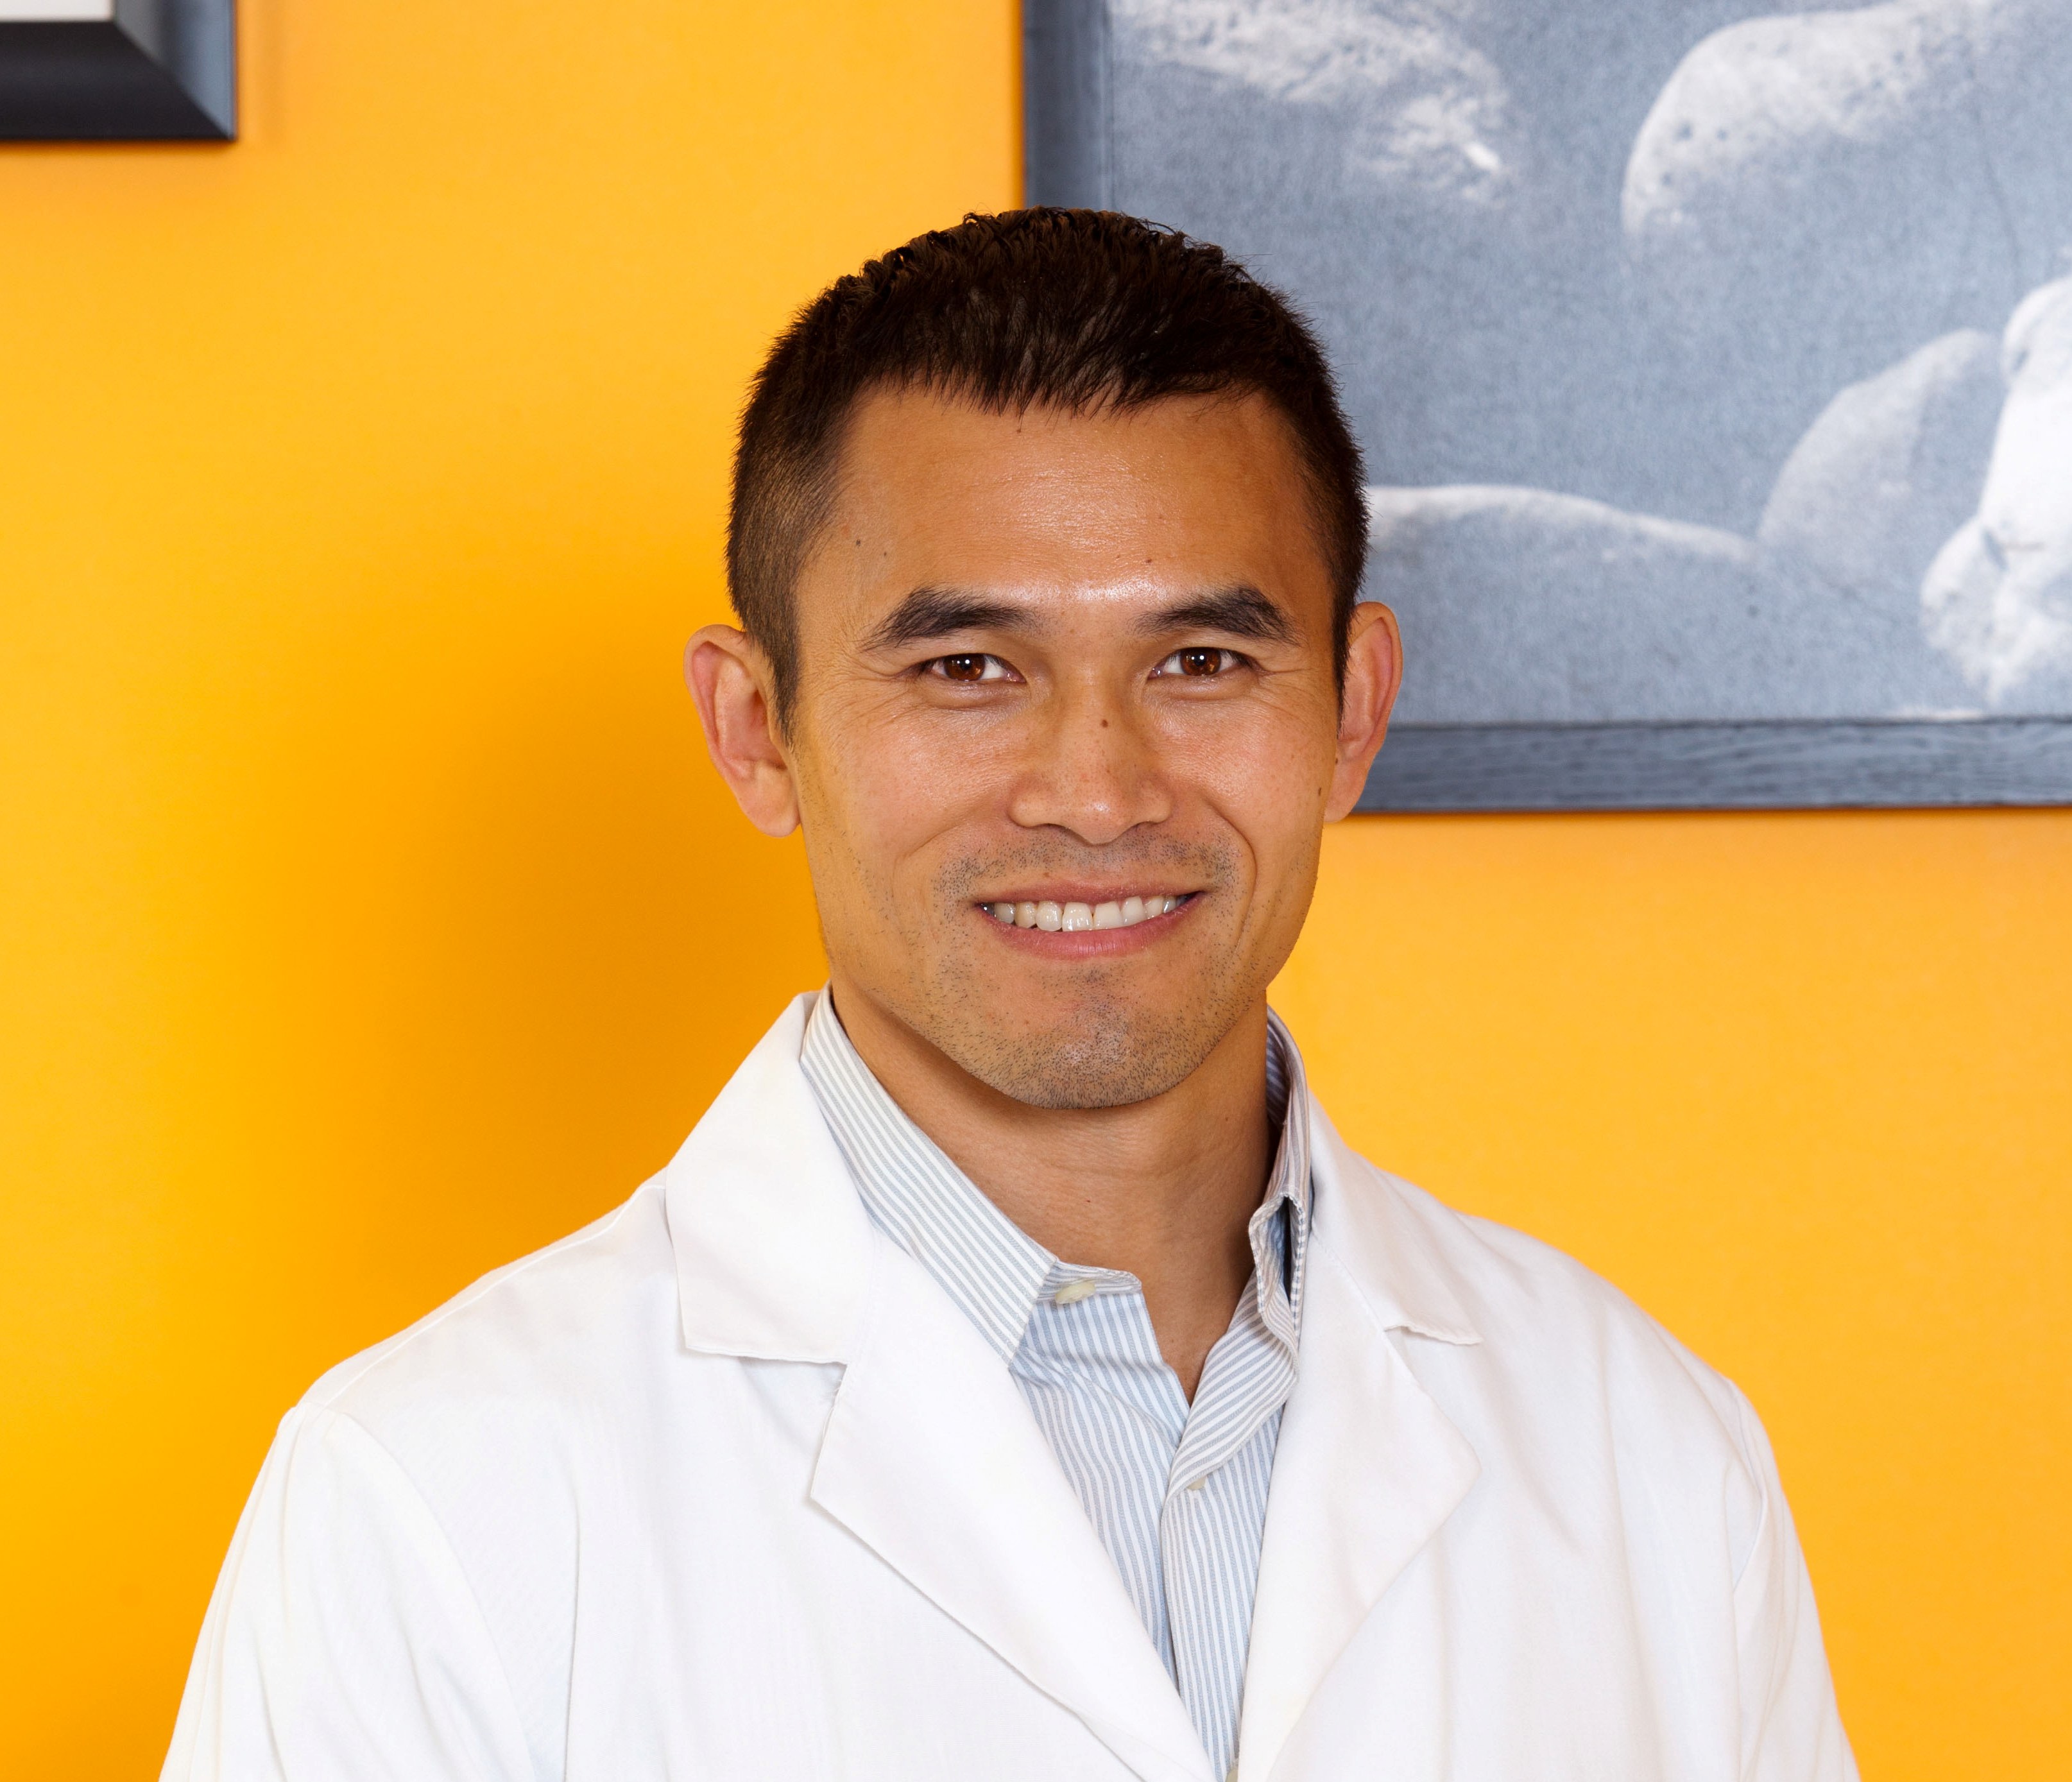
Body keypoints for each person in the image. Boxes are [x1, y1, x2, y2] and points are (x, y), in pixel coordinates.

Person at [163, 209, 1857, 1782]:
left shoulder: (1646, 1450)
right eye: (968, 668)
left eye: (1202, 660)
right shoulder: (433, 1502)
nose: (1097, 790)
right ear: (758, 730)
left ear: (1352, 710)